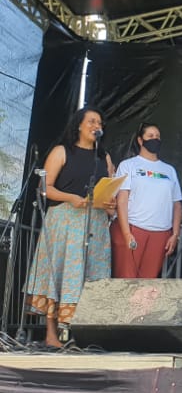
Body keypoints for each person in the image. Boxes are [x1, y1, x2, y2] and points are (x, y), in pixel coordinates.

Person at [23, 108, 116, 348]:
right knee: (60, 273)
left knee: (90, 276)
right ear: (78, 125)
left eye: (99, 122)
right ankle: (51, 334)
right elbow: (46, 188)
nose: (96, 125)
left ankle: (81, 334)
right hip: (65, 219)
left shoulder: (103, 157)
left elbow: (110, 188)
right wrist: (71, 198)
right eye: (91, 121)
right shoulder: (62, 151)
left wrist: (109, 204)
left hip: (94, 223)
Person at [112, 122, 182, 279]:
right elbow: (122, 200)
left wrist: (175, 233)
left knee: (148, 283)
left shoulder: (169, 170)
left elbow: (177, 204)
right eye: (150, 136)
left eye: (157, 136)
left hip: (161, 233)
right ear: (140, 140)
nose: (155, 139)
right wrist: (126, 233)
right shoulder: (128, 165)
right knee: (125, 280)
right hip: (134, 228)